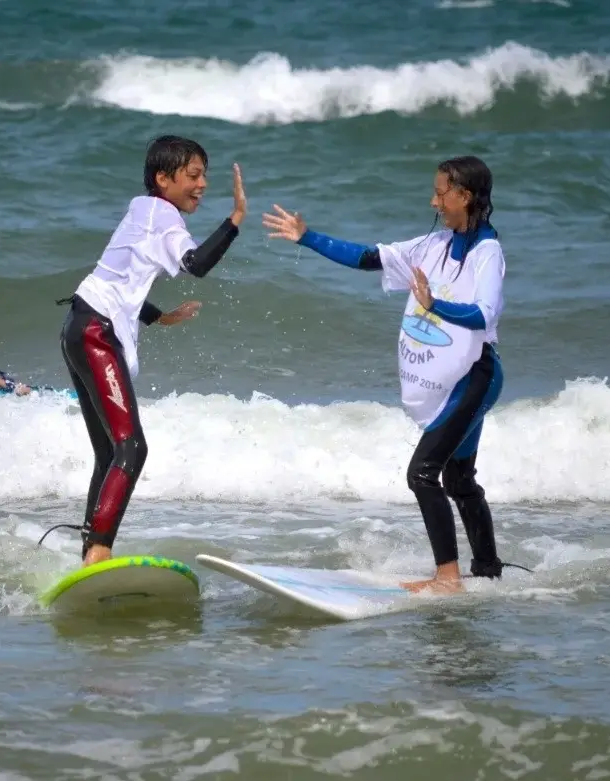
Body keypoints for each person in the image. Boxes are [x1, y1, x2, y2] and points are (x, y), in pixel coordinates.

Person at [263, 155, 526, 593]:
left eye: (441, 192)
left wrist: (434, 305)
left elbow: (484, 314)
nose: (434, 199)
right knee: (459, 478)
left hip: (476, 376)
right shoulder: (434, 244)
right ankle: (487, 571)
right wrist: (307, 237)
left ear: (465, 196)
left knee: (423, 473)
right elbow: (369, 258)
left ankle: (447, 578)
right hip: (453, 378)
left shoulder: (487, 253)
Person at [41, 135, 247, 566]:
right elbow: (196, 265)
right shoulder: (162, 216)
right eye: (193, 175)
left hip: (79, 326)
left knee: (109, 453)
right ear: (163, 178)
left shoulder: (143, 209)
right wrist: (234, 221)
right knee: (132, 449)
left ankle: (89, 556)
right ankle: (98, 551)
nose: (203, 184)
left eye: (204, 175)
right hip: (96, 333)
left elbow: (121, 274)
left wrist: (157, 316)